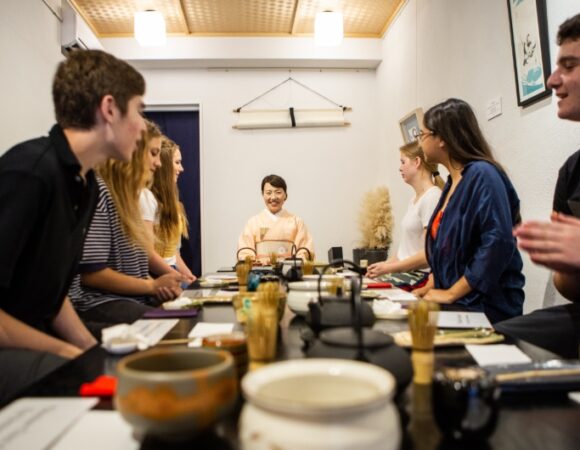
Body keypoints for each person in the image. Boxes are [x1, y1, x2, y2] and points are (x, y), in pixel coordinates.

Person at [0, 49, 147, 403]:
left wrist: (88, 348)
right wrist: (67, 355)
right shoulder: (29, 173)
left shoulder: (86, 183)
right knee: (78, 380)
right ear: (110, 109)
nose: (143, 126)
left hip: (30, 336)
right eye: (139, 110)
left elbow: (52, 296)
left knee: (127, 361)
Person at [495, 13, 580, 358]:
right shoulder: (573, 170)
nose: (551, 80)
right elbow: (569, 287)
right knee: (494, 345)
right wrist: (567, 267)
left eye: (570, 66)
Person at [413, 98, 525, 324]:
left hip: (485, 308)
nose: (420, 142)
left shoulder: (483, 174)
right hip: (458, 304)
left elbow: (497, 242)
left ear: (442, 139)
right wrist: (432, 285)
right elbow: (448, 250)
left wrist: (452, 292)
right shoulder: (452, 182)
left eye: (422, 135)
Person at [69, 121, 183, 336]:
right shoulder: (100, 194)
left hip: (130, 299)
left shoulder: (130, 200)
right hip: (98, 303)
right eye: (153, 153)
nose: (158, 163)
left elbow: (134, 273)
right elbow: (92, 275)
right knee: (172, 330)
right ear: (133, 153)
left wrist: (158, 287)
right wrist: (151, 287)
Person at [366, 141, 443, 289]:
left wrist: (390, 269)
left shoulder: (432, 197)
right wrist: (383, 265)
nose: (399, 168)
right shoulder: (414, 200)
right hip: (405, 272)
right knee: (366, 283)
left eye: (403, 162)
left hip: (421, 276)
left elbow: (428, 254)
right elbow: (404, 253)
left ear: (417, 162)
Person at [141, 137, 196, 285]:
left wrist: (190, 277)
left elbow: (174, 254)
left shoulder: (175, 204)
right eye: (177, 162)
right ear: (164, 166)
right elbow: (148, 254)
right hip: (156, 275)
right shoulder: (146, 198)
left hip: (171, 271)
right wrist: (178, 277)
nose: (181, 168)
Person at [238, 174, 314, 264]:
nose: (273, 197)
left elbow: (304, 251)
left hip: (289, 272)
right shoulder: (253, 222)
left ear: (285, 195)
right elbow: (245, 252)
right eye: (268, 193)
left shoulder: (296, 222)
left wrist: (295, 265)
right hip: (260, 271)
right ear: (263, 195)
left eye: (278, 192)